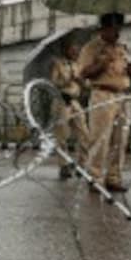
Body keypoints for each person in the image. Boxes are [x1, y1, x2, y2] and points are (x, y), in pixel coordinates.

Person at [77, 13, 131, 193]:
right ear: (104, 28)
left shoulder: (122, 47)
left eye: (119, 28)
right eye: (113, 28)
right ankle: (95, 178)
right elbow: (83, 73)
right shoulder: (91, 47)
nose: (117, 32)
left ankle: (113, 178)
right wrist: (100, 64)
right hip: (103, 95)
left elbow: (127, 73)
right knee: (100, 139)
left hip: (123, 96)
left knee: (120, 139)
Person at [49, 39, 90, 179]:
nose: (75, 52)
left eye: (76, 50)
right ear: (66, 50)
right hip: (62, 101)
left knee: (84, 134)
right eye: (72, 49)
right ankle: (64, 166)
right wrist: (67, 78)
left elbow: (85, 85)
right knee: (62, 135)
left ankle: (82, 165)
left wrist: (81, 82)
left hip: (75, 102)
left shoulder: (78, 65)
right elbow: (54, 83)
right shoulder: (58, 64)